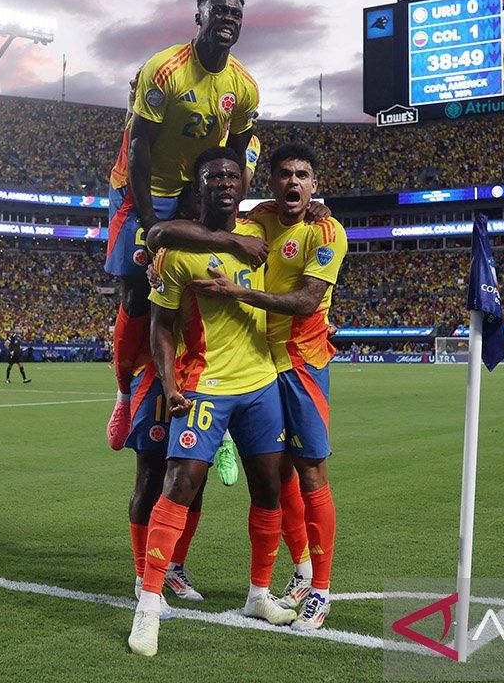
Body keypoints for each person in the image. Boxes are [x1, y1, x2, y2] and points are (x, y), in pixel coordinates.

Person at [127, 146, 294, 657]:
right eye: (212, 176)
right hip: (203, 386)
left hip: (261, 382)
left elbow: (300, 209)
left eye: (231, 175)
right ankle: (148, 605)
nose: (224, 182)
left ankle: (259, 594)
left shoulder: (262, 231)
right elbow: (159, 326)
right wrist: (171, 384)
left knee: (269, 489)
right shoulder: (176, 251)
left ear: (244, 185)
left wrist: (320, 208)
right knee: (179, 486)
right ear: (199, 187)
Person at [103, 0, 262, 493]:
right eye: (218, 10)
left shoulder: (245, 87)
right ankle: (126, 394)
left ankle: (209, 399)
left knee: (197, 292)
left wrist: (218, 216)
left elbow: (232, 160)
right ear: (199, 17)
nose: (228, 18)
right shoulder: (164, 69)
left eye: (236, 12)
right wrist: (151, 227)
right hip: (141, 187)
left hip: (194, 189)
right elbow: (141, 147)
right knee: (135, 291)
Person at [188, 142, 347, 631]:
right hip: (257, 362)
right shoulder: (257, 218)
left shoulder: (326, 230)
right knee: (277, 474)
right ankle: (300, 570)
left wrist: (240, 293)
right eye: (284, 174)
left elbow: (305, 301)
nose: (294, 182)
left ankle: (320, 590)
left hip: (301, 362)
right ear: (271, 181)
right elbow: (217, 224)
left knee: (311, 469)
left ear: (315, 184)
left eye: (303, 175)